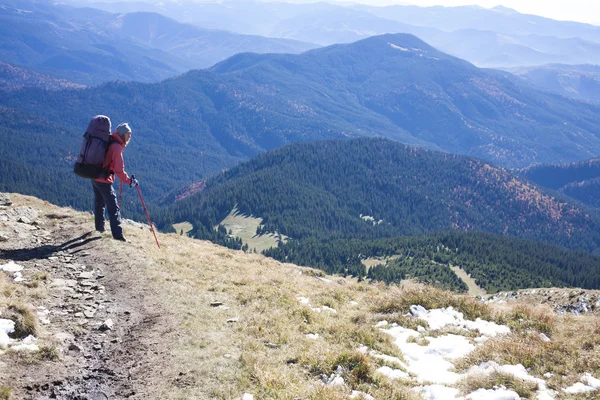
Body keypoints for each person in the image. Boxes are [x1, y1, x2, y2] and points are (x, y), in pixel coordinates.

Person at [92, 122, 139, 242]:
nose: (130, 137)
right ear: (122, 134)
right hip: (104, 180)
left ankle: (100, 228)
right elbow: (119, 170)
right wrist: (130, 182)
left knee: (99, 203)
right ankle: (118, 236)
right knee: (113, 208)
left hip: (95, 176)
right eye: (128, 134)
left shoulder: (110, 141)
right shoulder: (117, 147)